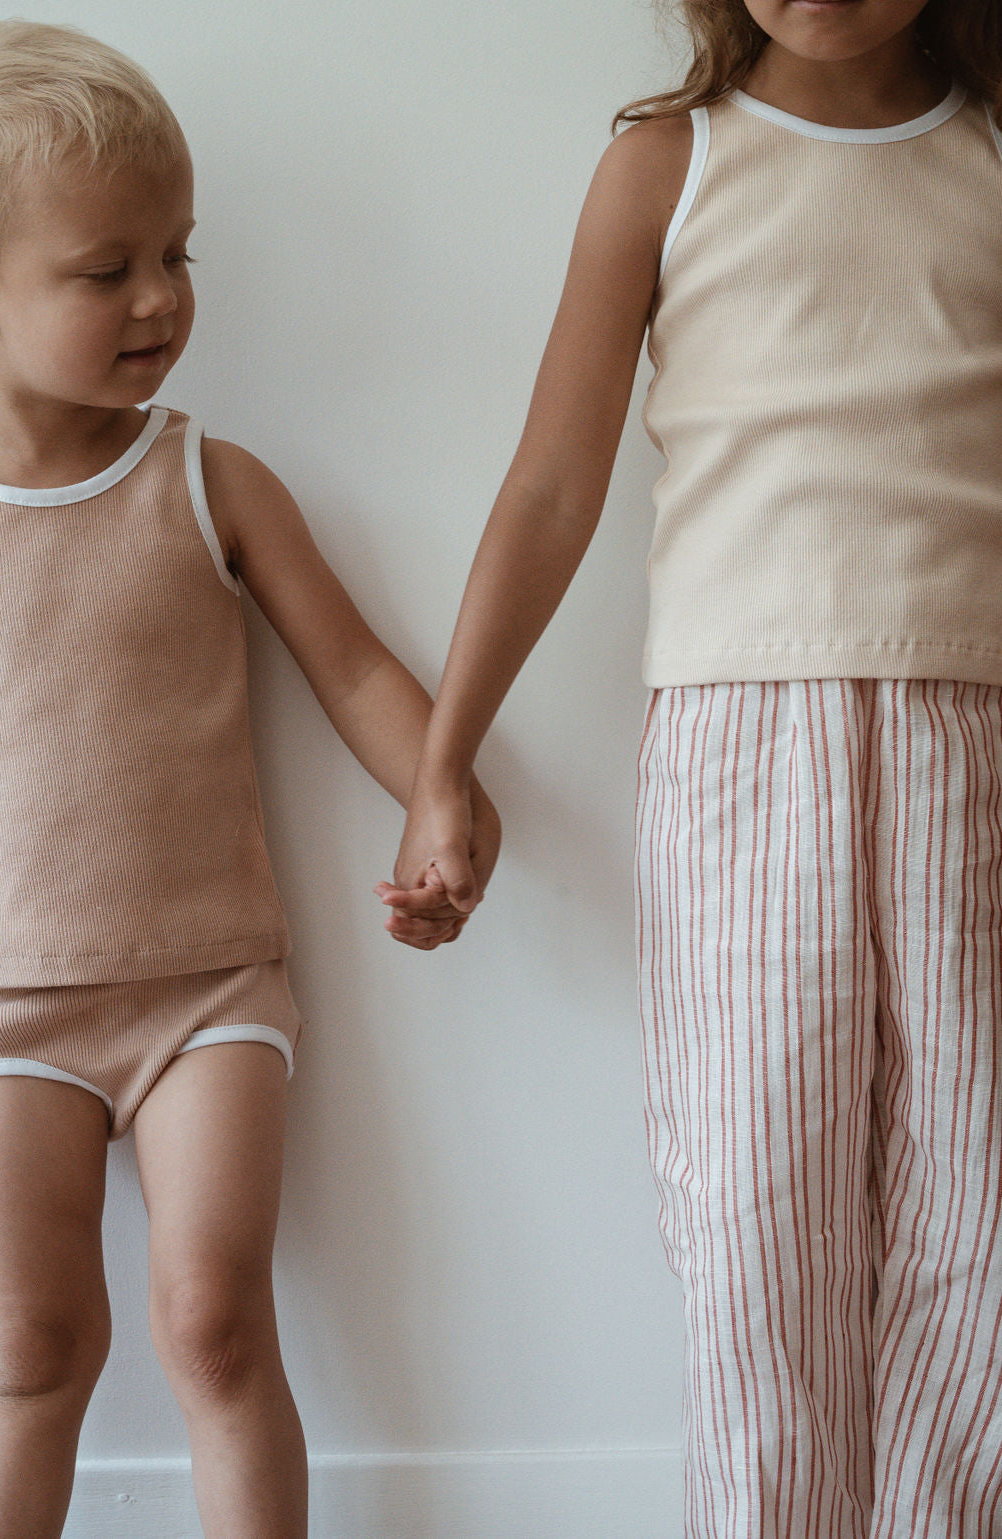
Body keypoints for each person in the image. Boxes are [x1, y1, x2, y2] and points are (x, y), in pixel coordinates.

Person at [378, 1, 1002, 1532]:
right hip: (739, 745)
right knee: (756, 1214)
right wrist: (443, 763)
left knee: (973, 1217)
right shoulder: (671, 164)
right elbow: (551, 481)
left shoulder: (988, 156)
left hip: (969, 737)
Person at [0, 20, 497, 1539]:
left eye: (178, 255)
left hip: (211, 994)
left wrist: (443, 790)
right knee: (27, 1349)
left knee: (216, 1325)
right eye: (105, 268)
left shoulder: (207, 478)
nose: (160, 299)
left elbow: (347, 667)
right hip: (1, 1006)